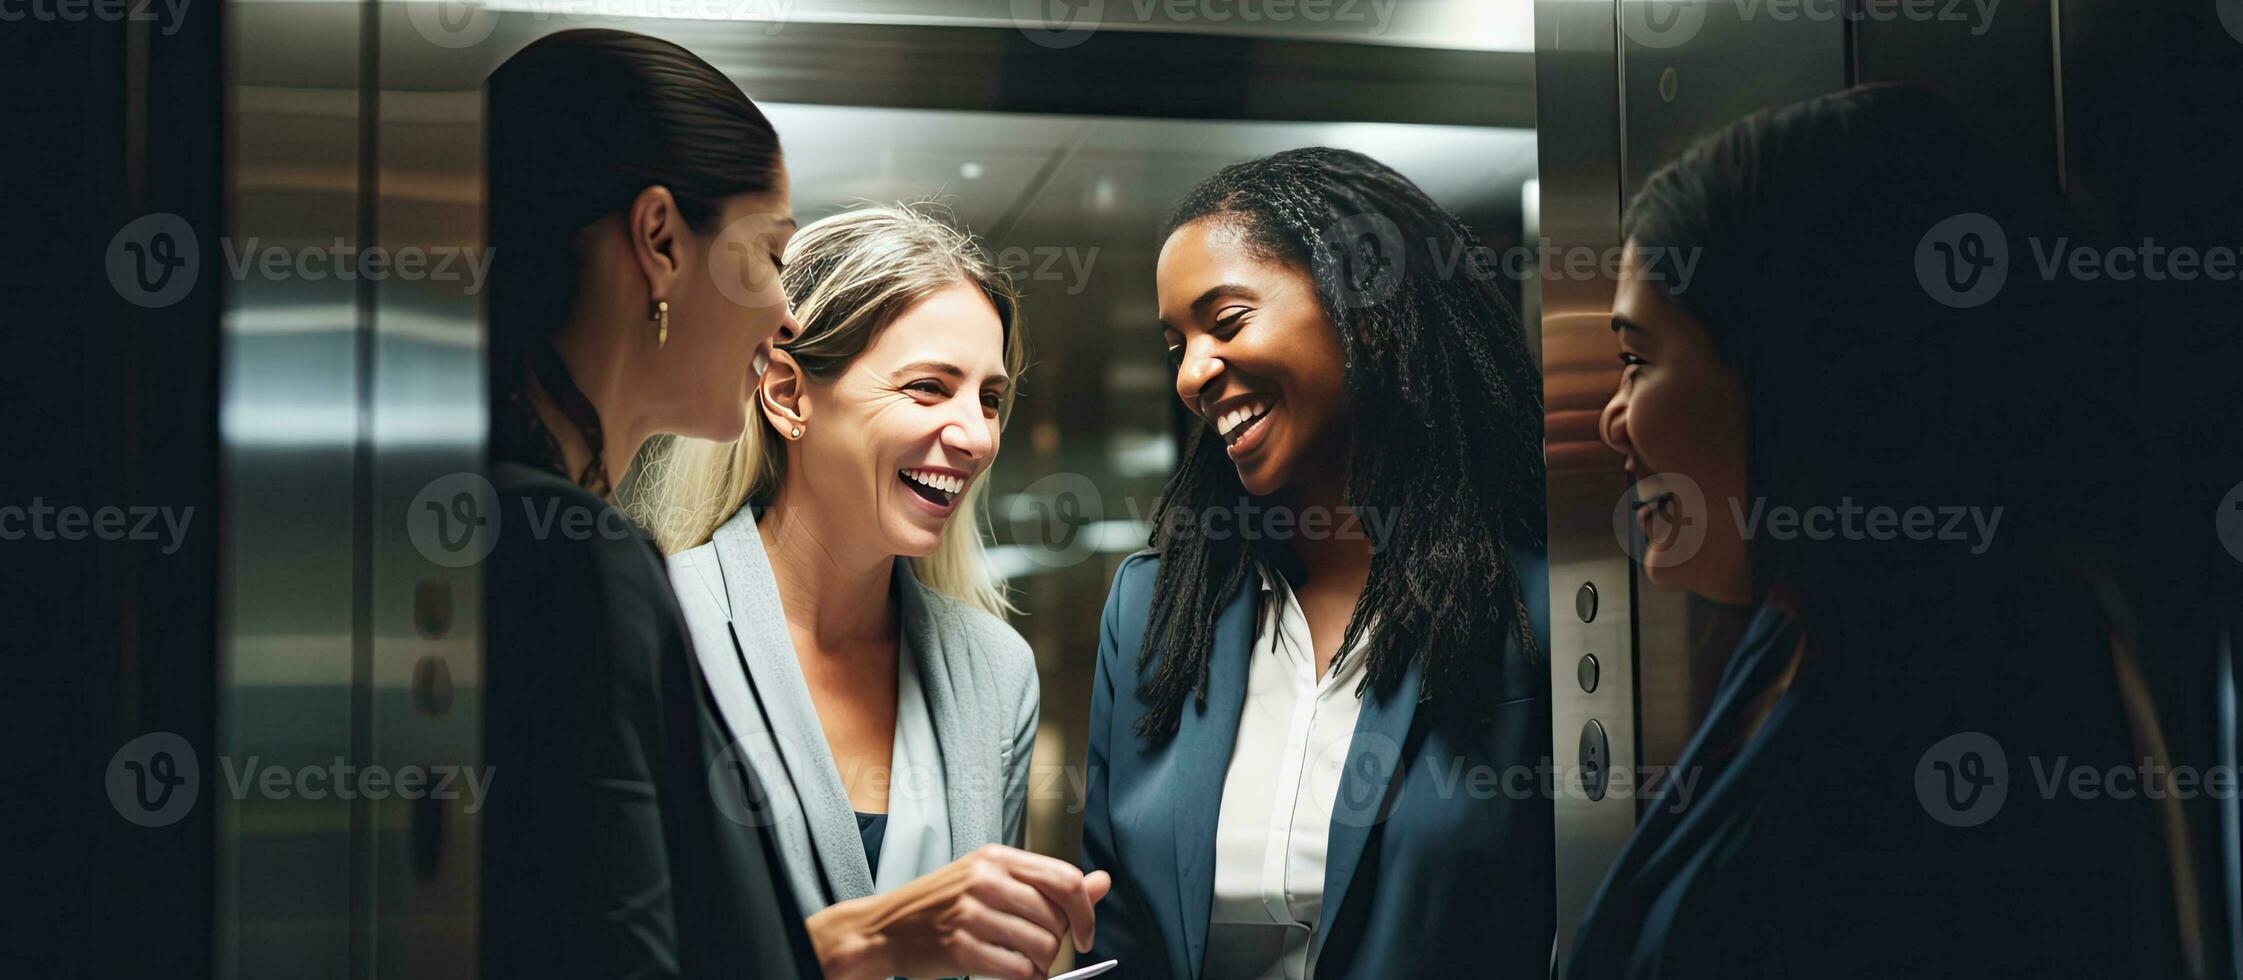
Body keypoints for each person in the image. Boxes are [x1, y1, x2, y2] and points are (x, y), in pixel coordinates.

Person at [1570, 84, 2184, 977]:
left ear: (1793, 373)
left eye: (1636, 360)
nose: (1612, 420)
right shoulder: (1790, 636)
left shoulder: (1975, 716)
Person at [1079, 147, 1555, 979]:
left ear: (1363, 310)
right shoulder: (1152, 609)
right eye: (1175, 344)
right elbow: (1116, 932)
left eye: (1225, 322)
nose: (1192, 374)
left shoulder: (1530, 598)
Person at [627, 202, 1112, 980]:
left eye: (988, 398)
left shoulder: (995, 672)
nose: (977, 435)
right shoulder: (653, 632)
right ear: (786, 394)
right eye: (928, 388)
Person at [479, 28, 816, 979]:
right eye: (769, 252)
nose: (785, 313)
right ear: (660, 240)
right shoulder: (577, 557)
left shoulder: (486, 520)